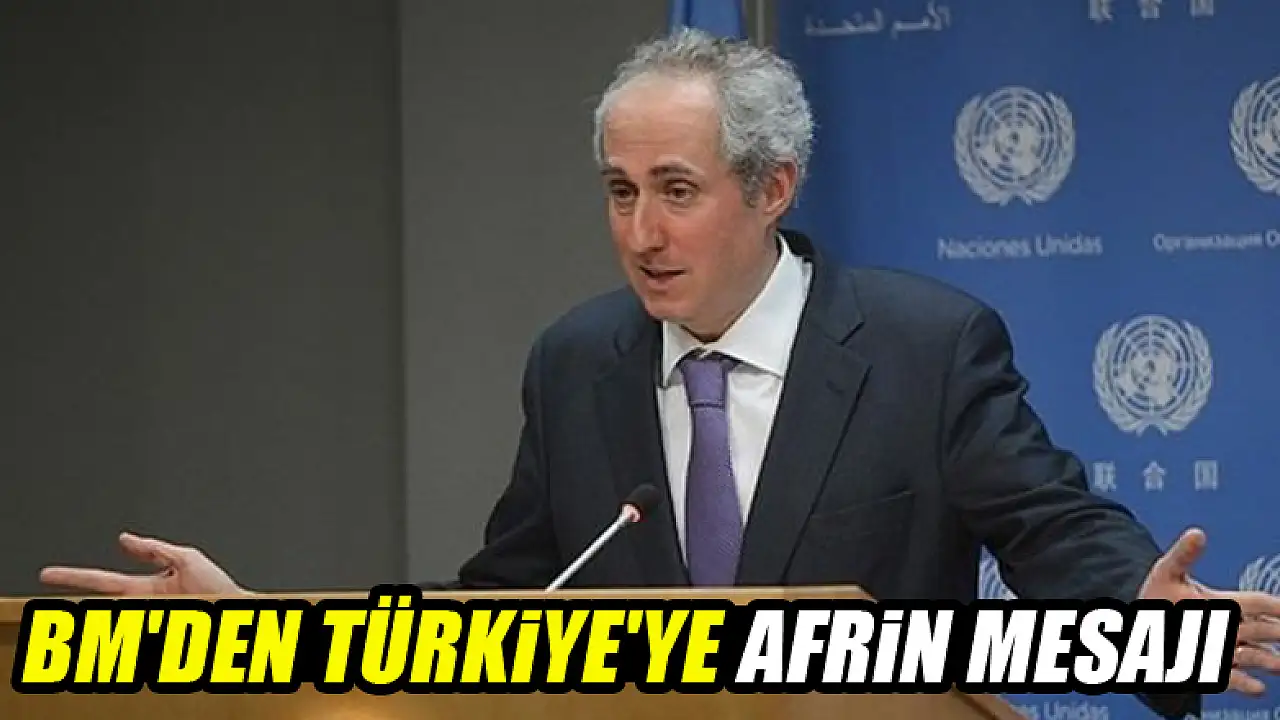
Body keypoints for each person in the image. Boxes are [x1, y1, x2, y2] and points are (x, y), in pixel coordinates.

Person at [39, 28, 1279, 717]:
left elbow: (1049, 528)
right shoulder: (577, 363)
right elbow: (501, 615)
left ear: (772, 187)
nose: (640, 232)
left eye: (676, 192)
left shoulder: (923, 346)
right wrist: (255, 630)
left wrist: (1138, 615)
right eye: (620, 192)